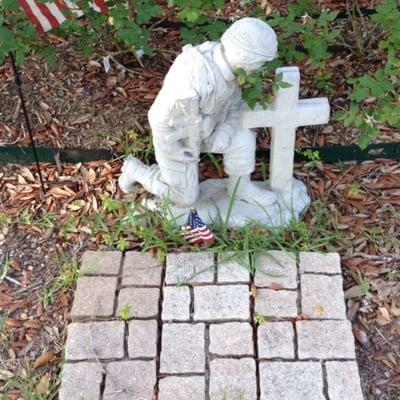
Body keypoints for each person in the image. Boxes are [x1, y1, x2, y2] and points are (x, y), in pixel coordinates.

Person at [119, 17, 278, 207]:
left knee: (242, 139)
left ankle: (240, 188)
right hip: (176, 140)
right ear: (244, 57)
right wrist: (177, 151)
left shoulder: (230, 69)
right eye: (260, 62)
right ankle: (136, 170)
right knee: (183, 198)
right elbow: (158, 118)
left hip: (208, 130)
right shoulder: (193, 74)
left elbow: (236, 107)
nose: (260, 68)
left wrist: (224, 132)